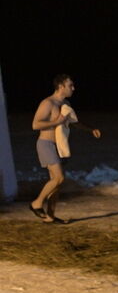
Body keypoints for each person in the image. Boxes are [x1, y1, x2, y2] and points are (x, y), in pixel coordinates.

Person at [29, 75, 101, 223]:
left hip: (58, 147)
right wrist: (57, 121)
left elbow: (74, 122)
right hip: (46, 144)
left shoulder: (65, 103)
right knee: (59, 178)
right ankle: (36, 203)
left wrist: (90, 129)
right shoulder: (48, 103)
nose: (73, 88)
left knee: (56, 183)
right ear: (61, 86)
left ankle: (50, 217)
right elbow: (35, 125)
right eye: (71, 85)